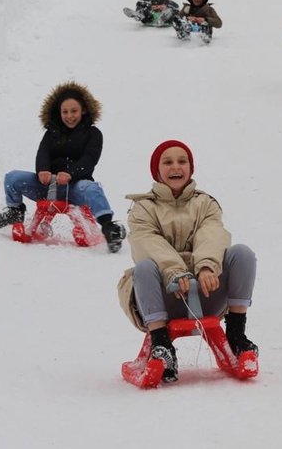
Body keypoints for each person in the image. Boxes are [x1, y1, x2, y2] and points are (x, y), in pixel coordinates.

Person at [116, 140, 257, 382]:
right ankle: (161, 344)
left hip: (206, 291)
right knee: (144, 267)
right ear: (157, 170)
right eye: (167, 162)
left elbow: (212, 234)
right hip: (164, 295)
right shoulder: (143, 209)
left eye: (182, 161)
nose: (175, 167)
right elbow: (147, 243)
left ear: (190, 168)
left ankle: (236, 335)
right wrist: (175, 271)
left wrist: (206, 266)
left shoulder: (206, 204)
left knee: (242, 254)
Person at [0, 81, 127, 253]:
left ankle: (108, 227)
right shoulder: (51, 133)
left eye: (74, 111)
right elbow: (43, 153)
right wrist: (42, 170)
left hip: (75, 187)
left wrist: (70, 173)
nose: (69, 116)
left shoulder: (93, 134)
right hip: (48, 186)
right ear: (59, 113)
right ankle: (15, 211)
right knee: (13, 177)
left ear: (83, 110)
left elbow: (89, 160)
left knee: (92, 188)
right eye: (65, 112)